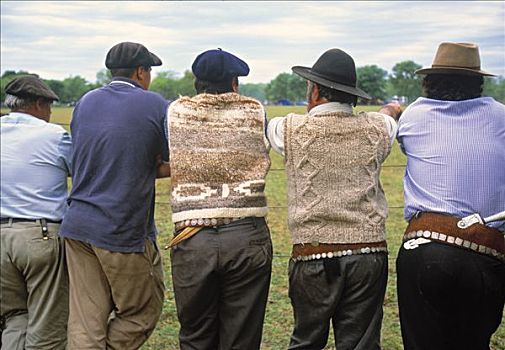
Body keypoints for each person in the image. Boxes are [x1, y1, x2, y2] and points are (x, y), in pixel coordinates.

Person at [267, 48, 401, 350]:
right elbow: (389, 119)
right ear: (353, 95)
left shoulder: (287, 128)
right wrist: (391, 109)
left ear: (314, 92)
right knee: (361, 344)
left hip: (313, 254)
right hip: (368, 253)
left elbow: (269, 128)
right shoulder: (379, 128)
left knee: (306, 341)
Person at [58, 42, 169, 349]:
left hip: (78, 224)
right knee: (142, 311)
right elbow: (166, 161)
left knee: (85, 320)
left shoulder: (85, 101)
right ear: (140, 72)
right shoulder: (155, 104)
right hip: (122, 228)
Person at [396, 42, 505, 350]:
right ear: (479, 82)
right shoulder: (501, 116)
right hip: (486, 251)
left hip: (424, 247)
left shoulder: (414, 116)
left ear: (429, 82)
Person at [167, 48, 272, 350]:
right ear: (235, 83)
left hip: (192, 238)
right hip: (246, 236)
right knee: (241, 338)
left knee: (195, 336)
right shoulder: (255, 111)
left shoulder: (176, 111)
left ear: (196, 82)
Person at [1, 76, 71, 349]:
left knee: (14, 317)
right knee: (48, 323)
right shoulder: (54, 135)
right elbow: (81, 172)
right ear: (39, 104)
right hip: (38, 234)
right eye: (49, 107)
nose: (50, 114)